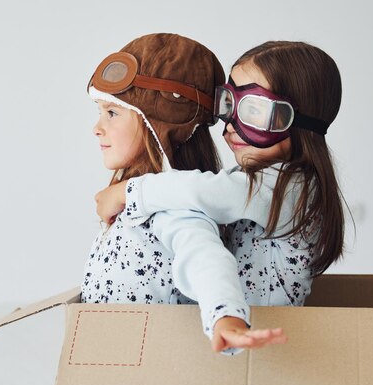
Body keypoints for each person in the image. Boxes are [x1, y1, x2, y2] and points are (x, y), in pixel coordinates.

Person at [96, 40, 345, 341]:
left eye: (253, 111)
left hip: (271, 345)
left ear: (298, 121)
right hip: (240, 334)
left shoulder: (296, 189)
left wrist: (128, 193)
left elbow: (210, 192)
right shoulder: (250, 183)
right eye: (229, 104)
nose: (230, 125)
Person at [83, 33, 287, 353]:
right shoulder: (140, 201)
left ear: (157, 124)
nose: (97, 127)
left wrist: (225, 317)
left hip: (142, 369)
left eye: (112, 112)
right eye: (99, 111)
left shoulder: (169, 207)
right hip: (104, 359)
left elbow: (203, 257)